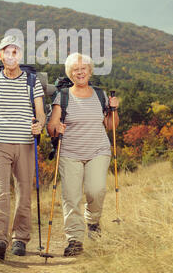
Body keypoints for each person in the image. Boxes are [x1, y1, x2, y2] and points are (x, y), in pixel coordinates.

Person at [0, 35, 45, 260]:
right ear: (0, 55)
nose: (11, 56)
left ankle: (20, 239)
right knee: (0, 191)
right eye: (7, 51)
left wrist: (39, 126)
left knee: (24, 191)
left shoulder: (33, 81)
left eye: (15, 51)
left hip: (25, 143)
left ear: (19, 56)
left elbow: (40, 113)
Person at [47, 52, 119, 257]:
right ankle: (75, 240)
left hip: (98, 150)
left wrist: (114, 110)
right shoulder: (63, 96)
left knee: (96, 190)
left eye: (83, 68)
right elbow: (52, 127)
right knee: (71, 197)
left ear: (90, 71)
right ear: (70, 74)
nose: (80, 72)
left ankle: (93, 222)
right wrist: (55, 128)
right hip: (70, 152)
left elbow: (111, 125)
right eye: (75, 70)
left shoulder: (100, 94)